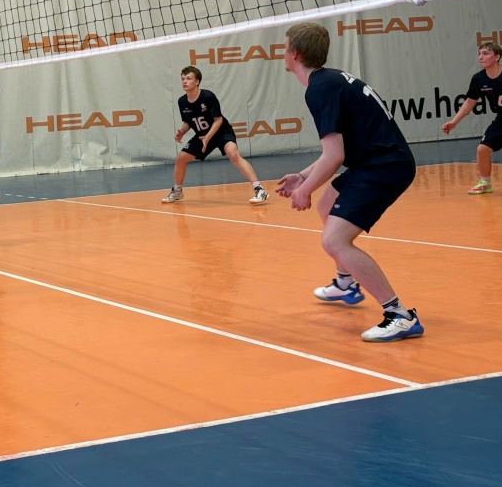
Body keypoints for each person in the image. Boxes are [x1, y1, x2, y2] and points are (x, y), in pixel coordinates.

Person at [275, 22, 423, 343]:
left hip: (385, 167)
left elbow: (335, 155)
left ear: (295, 54)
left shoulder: (320, 88)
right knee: (327, 205)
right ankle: (346, 283)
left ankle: (400, 315)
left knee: (334, 241)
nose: (282, 53)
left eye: (284, 48)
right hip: (374, 161)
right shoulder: (328, 79)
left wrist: (304, 190)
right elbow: (336, 150)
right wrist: (303, 176)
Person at [162, 66, 268, 205]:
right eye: (182, 79)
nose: (184, 81)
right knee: (180, 159)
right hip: (202, 136)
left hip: (221, 132)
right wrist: (182, 131)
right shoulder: (182, 101)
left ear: (197, 81)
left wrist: (208, 136)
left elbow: (218, 120)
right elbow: (188, 121)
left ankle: (259, 189)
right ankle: (177, 191)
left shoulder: (208, 96)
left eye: (188, 78)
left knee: (233, 154)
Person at [440, 40, 502, 194]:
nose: (480, 57)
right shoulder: (479, 79)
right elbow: (469, 102)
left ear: (497, 57)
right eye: (479, 54)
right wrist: (454, 122)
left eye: (485, 53)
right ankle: (485, 183)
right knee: (482, 149)